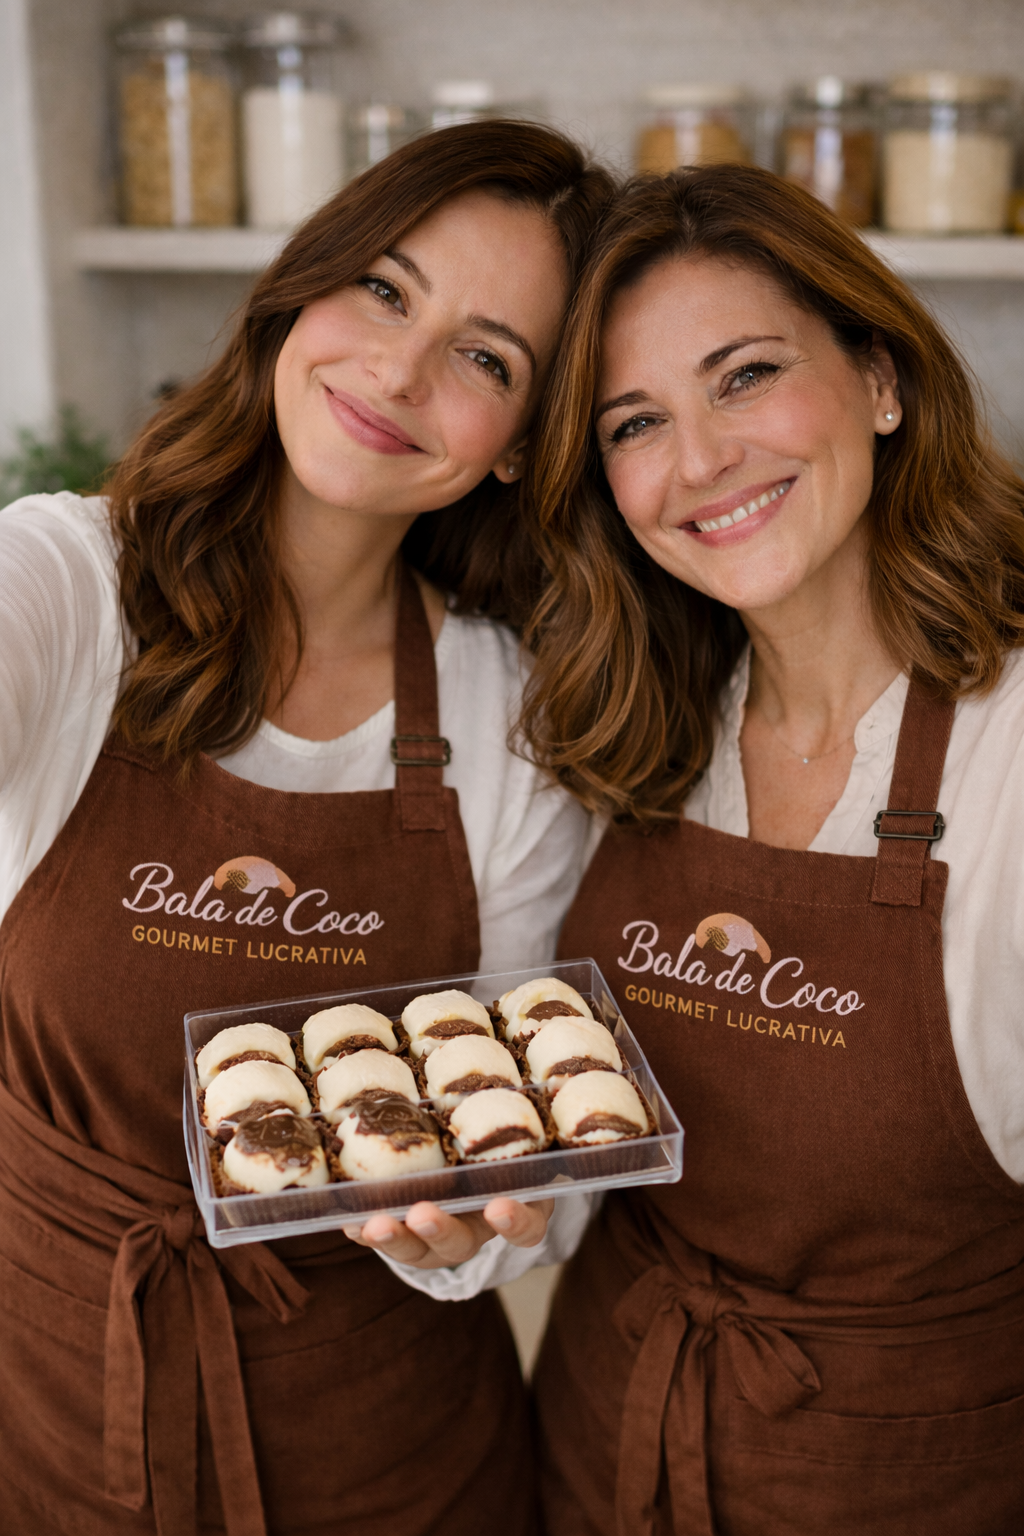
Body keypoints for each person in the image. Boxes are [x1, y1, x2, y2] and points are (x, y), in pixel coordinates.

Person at [0, 121, 612, 1536]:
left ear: (523, 446)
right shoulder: (69, 586)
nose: (399, 371)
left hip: (392, 1456)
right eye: (384, 291)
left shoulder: (508, 718)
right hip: (53, 1416)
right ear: (298, 291)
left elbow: (538, 1135)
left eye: (486, 358)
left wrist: (476, 1232)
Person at [517, 166, 1024, 1534]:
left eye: (745, 377)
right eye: (636, 423)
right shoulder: (622, 722)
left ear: (880, 378)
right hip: (597, 1449)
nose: (699, 462)